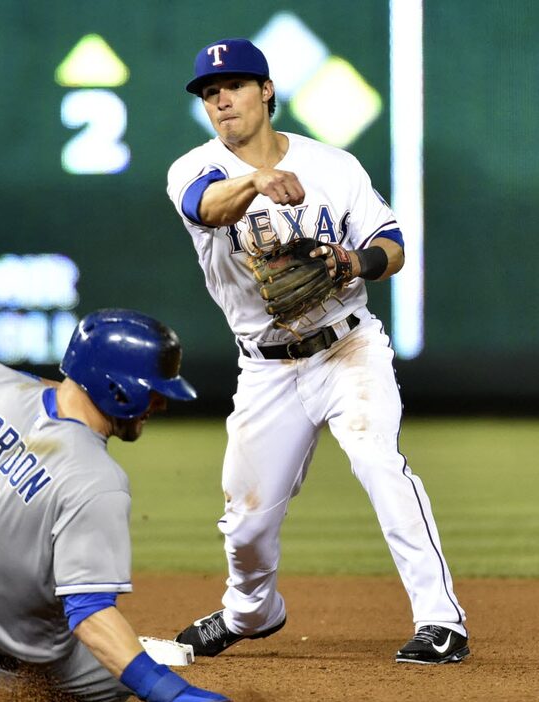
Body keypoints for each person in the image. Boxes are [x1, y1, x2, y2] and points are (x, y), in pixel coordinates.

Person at [166, 38, 469, 665]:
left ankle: (441, 621)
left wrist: (354, 261)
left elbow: (392, 243)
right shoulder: (193, 169)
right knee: (245, 520)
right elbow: (208, 206)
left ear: (267, 90)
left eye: (235, 85)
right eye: (209, 92)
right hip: (266, 367)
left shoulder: (335, 165)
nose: (221, 99)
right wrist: (256, 180)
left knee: (377, 460)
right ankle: (251, 613)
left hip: (347, 346)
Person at [0, 309, 240, 702]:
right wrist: (171, 693)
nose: (160, 405)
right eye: (153, 392)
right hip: (9, 644)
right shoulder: (95, 479)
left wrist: (26, 385)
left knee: (3, 541)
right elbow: (89, 613)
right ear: (116, 389)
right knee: (118, 675)